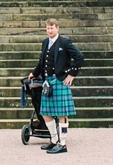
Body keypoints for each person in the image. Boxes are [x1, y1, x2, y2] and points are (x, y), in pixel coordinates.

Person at [28, 17, 83, 154]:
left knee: (62, 114)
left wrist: (71, 74)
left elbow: (79, 57)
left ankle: (62, 143)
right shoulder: (45, 42)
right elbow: (42, 61)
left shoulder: (64, 42)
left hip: (60, 80)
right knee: (45, 113)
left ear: (57, 28)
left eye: (52, 28)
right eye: (47, 28)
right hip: (48, 82)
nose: (49, 31)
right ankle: (54, 140)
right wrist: (34, 73)